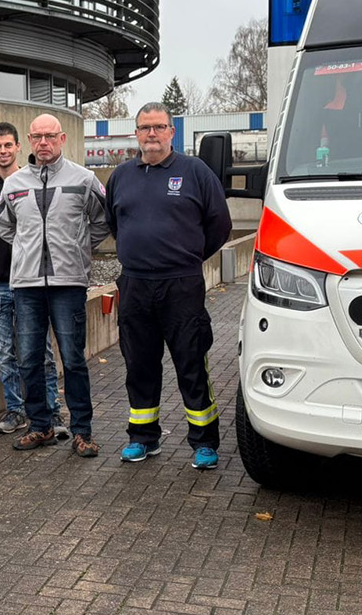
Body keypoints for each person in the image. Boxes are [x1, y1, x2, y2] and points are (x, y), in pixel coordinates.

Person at [107, 103, 232, 469]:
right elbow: (115, 224)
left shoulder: (194, 172)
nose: (151, 134)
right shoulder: (122, 176)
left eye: (159, 127)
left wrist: (187, 257)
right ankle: (143, 437)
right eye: (145, 127)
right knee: (139, 365)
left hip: (181, 286)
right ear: (136, 133)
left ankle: (204, 442)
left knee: (191, 363)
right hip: (136, 285)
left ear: (171, 131)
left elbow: (219, 225)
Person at [0, 114, 110, 457]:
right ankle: (41, 426)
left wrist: (76, 250)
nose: (43, 142)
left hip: (68, 283)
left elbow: (101, 222)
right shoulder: (13, 183)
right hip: (27, 285)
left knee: (74, 359)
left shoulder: (84, 178)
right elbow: (6, 227)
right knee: (29, 359)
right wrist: (28, 252)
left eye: (50, 136)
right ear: (29, 141)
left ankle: (82, 432)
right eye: (37, 137)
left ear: (62, 139)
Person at [0, 123, 63, 436]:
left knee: (40, 353)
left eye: (7, 145)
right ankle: (15, 411)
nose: (2, 151)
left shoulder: (31, 182)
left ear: (18, 146)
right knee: (6, 354)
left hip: (31, 282)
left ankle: (51, 413)